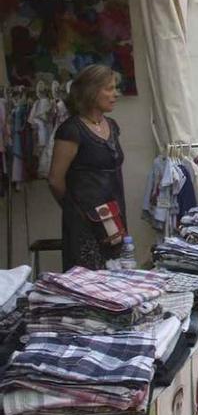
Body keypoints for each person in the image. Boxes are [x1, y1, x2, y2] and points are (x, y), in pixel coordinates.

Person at [48, 64, 126, 271]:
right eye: (109, 89)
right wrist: (75, 211)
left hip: (114, 217)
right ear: (91, 92)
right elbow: (55, 180)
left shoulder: (113, 126)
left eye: (115, 88)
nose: (115, 94)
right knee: (88, 284)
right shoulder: (71, 131)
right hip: (85, 223)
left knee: (118, 279)